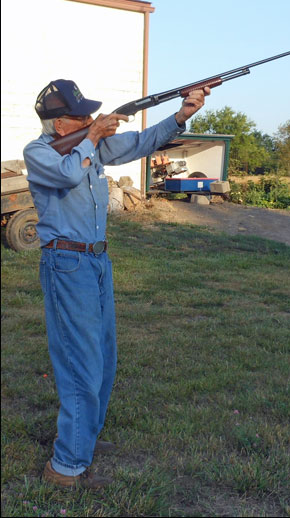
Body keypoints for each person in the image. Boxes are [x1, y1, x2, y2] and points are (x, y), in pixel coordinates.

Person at [23, 79, 210, 489]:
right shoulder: (40, 153)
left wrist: (181, 116)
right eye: (82, 115)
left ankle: (82, 438)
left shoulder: (90, 145)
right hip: (67, 262)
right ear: (60, 126)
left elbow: (143, 141)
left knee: (104, 356)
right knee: (80, 362)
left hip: (96, 260)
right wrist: (92, 136)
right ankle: (66, 465)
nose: (93, 120)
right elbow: (69, 176)